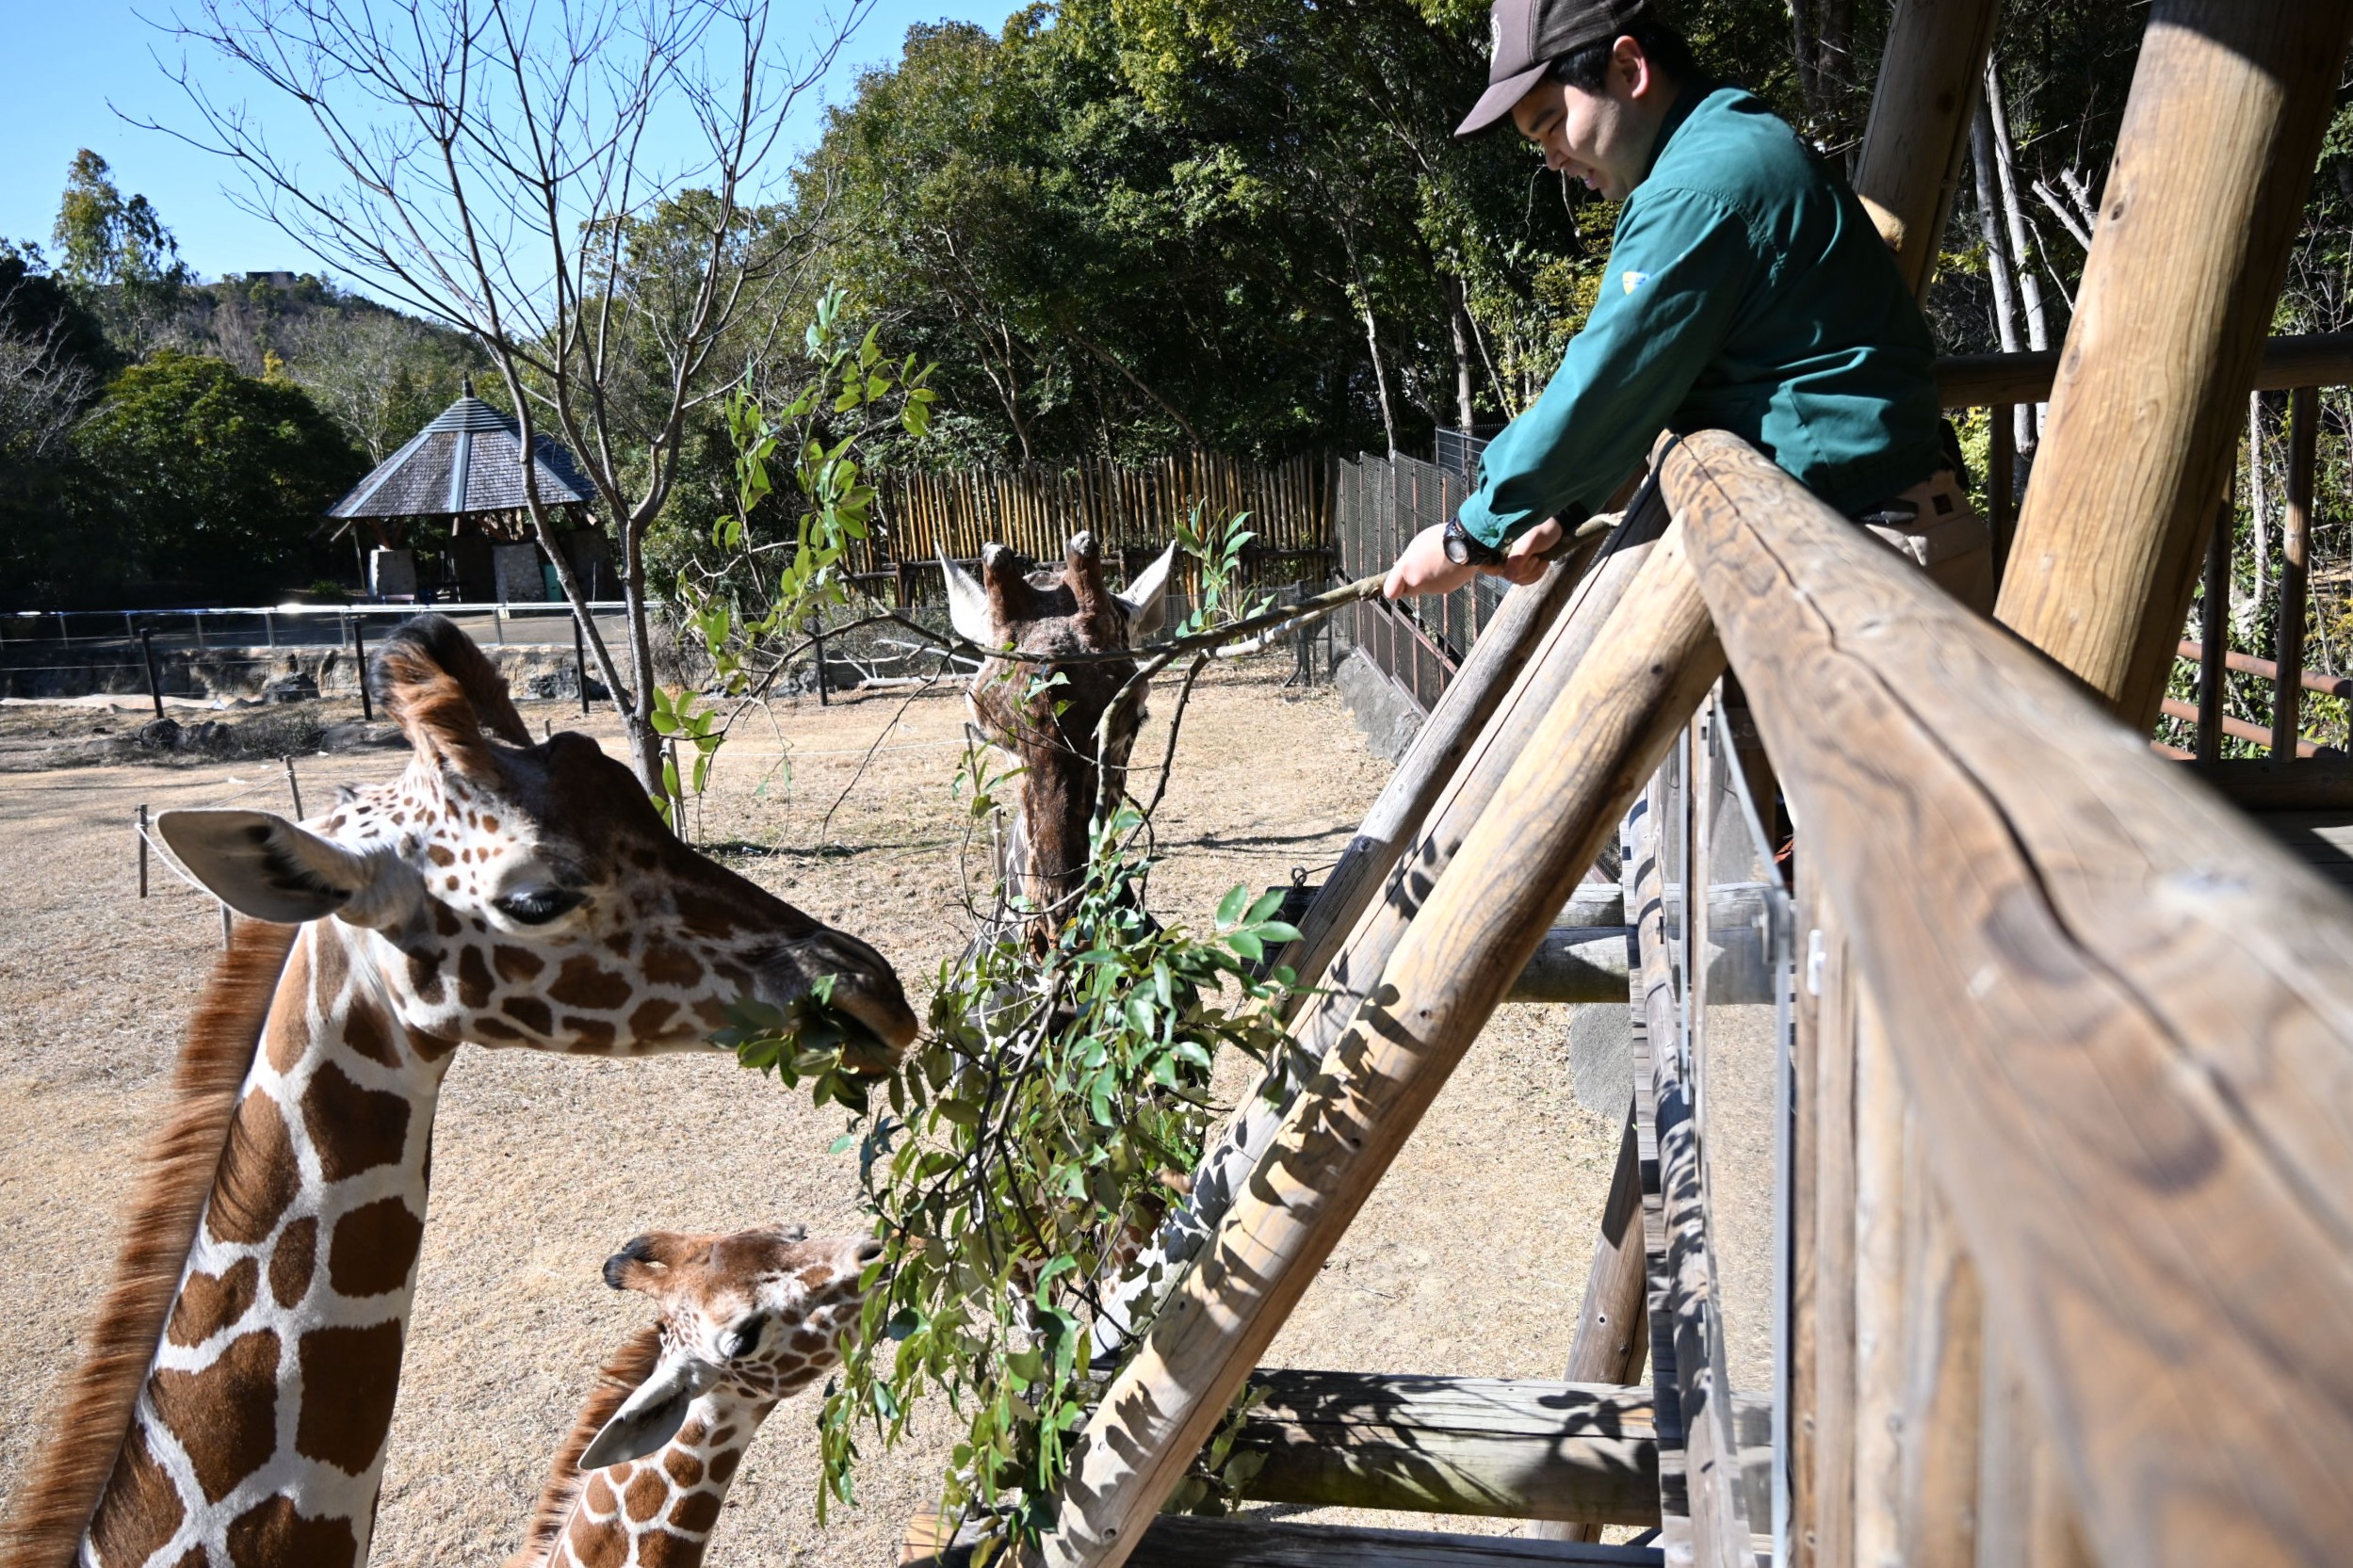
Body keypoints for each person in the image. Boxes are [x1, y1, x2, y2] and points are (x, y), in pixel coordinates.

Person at [1384, 0, 1992, 612]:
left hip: (1869, 556)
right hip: (1861, 535)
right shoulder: (1725, 133)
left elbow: (1608, 377)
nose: (1551, 158)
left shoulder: (1696, 189)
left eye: (1551, 124)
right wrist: (1566, 507)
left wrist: (1470, 533)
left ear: (1628, 68)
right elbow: (1661, 377)